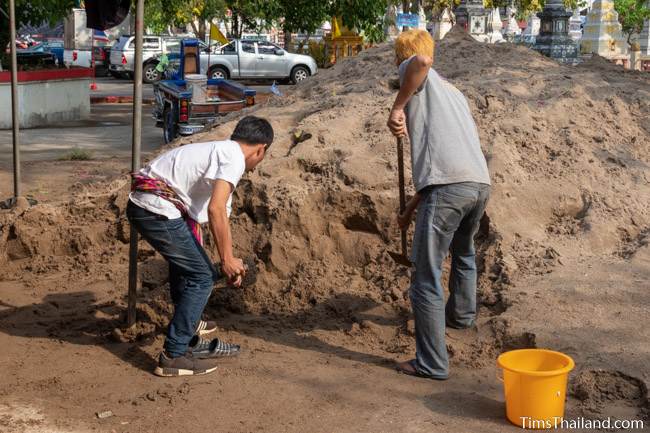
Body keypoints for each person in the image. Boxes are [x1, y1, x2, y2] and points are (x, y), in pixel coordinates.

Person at [126, 116, 273, 377]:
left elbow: (219, 217)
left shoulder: (219, 152)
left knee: (190, 267)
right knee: (202, 277)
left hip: (150, 205)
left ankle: (190, 323)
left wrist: (230, 258)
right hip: (154, 209)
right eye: (261, 158)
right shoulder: (234, 158)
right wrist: (227, 260)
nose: (255, 166)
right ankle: (173, 355)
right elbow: (216, 210)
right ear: (260, 149)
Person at [387, 29, 491, 380]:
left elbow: (422, 62)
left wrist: (398, 106)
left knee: (425, 277)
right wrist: (411, 210)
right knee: (464, 254)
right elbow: (445, 165)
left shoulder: (412, 69)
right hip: (477, 185)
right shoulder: (454, 93)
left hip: (449, 188)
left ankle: (431, 363)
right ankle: (460, 317)